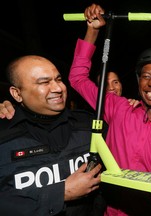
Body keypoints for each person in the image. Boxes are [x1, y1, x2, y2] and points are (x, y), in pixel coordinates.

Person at [68, 3, 151, 215]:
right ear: (138, 81)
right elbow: (77, 78)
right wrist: (93, 30)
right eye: (146, 76)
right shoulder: (118, 108)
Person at [0, 55, 102, 216]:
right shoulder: (4, 137)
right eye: (44, 82)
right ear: (17, 93)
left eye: (59, 79)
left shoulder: (89, 125)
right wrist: (60, 193)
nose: (58, 88)